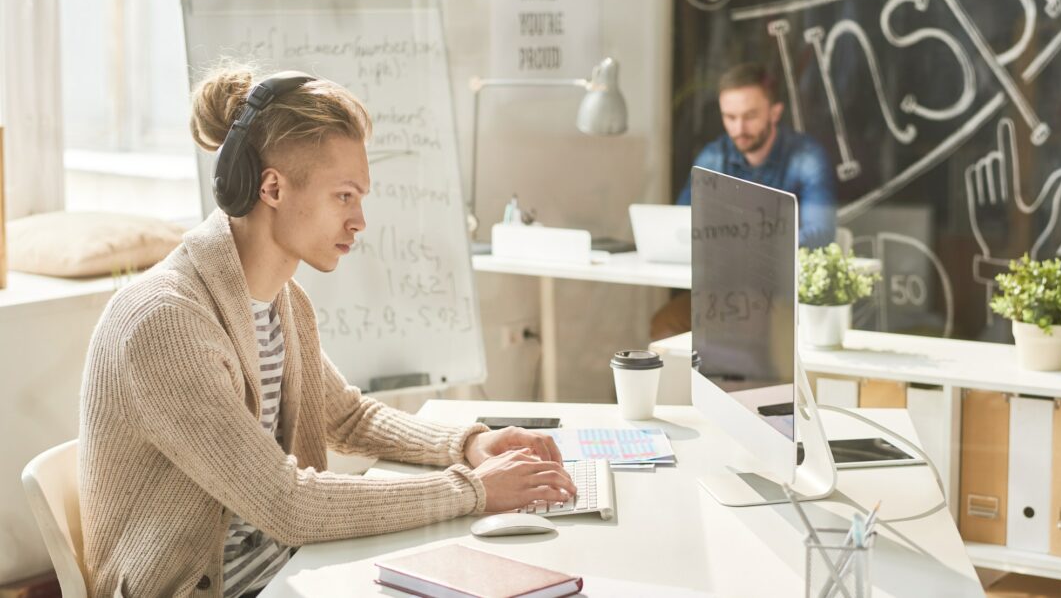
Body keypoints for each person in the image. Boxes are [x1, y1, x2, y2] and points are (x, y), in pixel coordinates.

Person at [78, 67, 576, 598]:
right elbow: (286, 504)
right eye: (344, 196)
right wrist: (472, 491)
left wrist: (471, 444)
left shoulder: (281, 301)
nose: (360, 219)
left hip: (287, 570)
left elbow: (349, 417)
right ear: (272, 187)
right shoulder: (166, 323)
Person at [651, 62, 837, 340]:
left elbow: (821, 233)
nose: (739, 128)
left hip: (783, 293)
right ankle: (691, 385)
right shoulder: (713, 158)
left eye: (750, 116)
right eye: (730, 117)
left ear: (775, 112)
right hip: (723, 289)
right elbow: (682, 223)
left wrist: (745, 245)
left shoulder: (807, 158)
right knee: (664, 326)